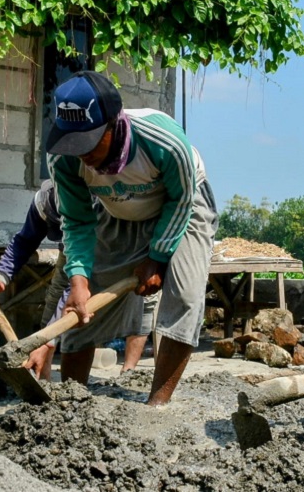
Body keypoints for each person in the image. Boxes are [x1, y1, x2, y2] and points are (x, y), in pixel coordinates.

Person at [45, 70, 218, 406]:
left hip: (182, 205)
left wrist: (158, 256)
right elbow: (78, 221)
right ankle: (71, 401)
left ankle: (157, 404)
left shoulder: (163, 141)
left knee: (185, 293)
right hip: (117, 209)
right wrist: (78, 277)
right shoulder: (63, 160)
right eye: (74, 144)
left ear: (114, 123)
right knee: (84, 299)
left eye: (90, 143)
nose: (83, 155)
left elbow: (181, 200)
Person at [0, 180, 155, 379]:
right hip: (68, 253)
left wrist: (47, 339)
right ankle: (42, 378)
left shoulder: (100, 204)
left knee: (79, 322)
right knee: (52, 315)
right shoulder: (46, 200)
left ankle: (106, 379)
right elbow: (24, 241)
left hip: (106, 255)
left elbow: (76, 289)